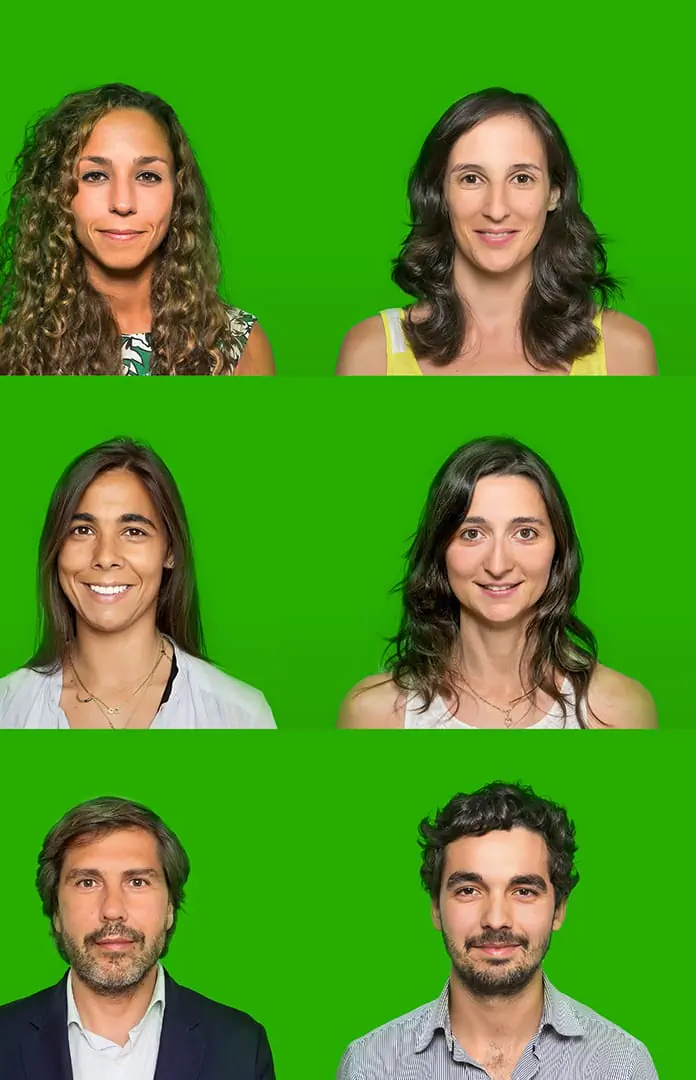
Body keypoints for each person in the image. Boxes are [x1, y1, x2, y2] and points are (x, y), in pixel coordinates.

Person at [339, 782, 656, 1077]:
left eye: (523, 891)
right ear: (436, 908)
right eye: (468, 890)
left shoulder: (622, 1064)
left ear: (558, 909)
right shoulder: (370, 1064)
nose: (495, 919)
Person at [0, 438, 273, 728]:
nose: (106, 557)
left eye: (133, 532)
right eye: (82, 530)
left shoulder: (242, 716)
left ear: (170, 551)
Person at [340, 436, 654, 728]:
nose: (498, 565)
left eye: (525, 533)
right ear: (440, 550)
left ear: (558, 548)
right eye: (472, 534)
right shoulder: (373, 713)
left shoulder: (620, 711)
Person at [338, 88, 655, 375]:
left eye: (521, 178)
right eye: (472, 178)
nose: (497, 209)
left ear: (554, 194)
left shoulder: (624, 352)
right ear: (440, 194)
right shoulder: (370, 353)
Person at [0, 797, 272, 1079]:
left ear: (170, 909)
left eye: (137, 882)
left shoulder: (242, 1047)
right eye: (87, 883)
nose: (112, 910)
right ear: (56, 913)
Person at [0, 84, 272, 376]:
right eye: (95, 175)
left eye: (147, 176)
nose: (122, 202)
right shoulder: (16, 349)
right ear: (57, 195)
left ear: (178, 193)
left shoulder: (235, 344)